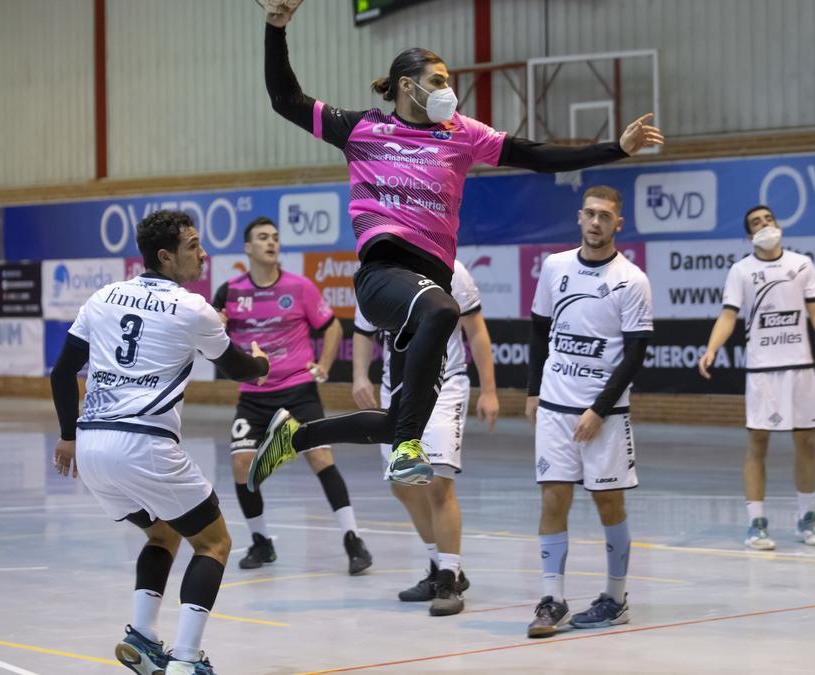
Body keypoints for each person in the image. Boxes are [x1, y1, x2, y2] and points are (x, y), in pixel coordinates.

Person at [247, 2, 663, 492]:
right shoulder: (361, 129)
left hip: (427, 293)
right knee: (444, 315)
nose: (449, 90)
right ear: (408, 85)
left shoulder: (461, 134)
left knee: (401, 418)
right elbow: (285, 98)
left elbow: (535, 154)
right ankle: (407, 451)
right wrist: (276, 28)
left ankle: (292, 438)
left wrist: (615, 147)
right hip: (384, 276)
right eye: (439, 80)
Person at [50, 210, 270, 675]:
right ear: (166, 256)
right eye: (194, 245)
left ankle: (144, 639)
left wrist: (68, 436)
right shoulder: (193, 308)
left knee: (162, 531)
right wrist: (260, 362)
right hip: (145, 445)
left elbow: (61, 371)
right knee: (214, 542)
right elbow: (238, 370)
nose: (204, 254)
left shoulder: (104, 296)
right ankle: (187, 661)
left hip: (93, 449)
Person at [524, 186, 653, 638]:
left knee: (608, 503)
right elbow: (540, 331)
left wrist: (599, 409)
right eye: (590, 214)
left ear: (619, 224)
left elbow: (635, 354)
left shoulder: (631, 279)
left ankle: (615, 599)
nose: (596, 222)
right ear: (580, 218)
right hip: (555, 407)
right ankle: (552, 599)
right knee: (553, 498)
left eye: (606, 217)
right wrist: (533, 391)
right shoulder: (555, 267)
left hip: (606, 415)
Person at [212, 217, 372, 574]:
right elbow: (212, 340)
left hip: (298, 390)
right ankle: (262, 543)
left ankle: (353, 541)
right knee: (241, 465)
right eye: (263, 238)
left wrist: (325, 365)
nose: (271, 243)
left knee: (320, 456)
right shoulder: (229, 292)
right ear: (248, 248)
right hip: (253, 394)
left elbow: (332, 326)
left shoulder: (300, 287)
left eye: (275, 238)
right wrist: (217, 329)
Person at [351, 259, 498, 616]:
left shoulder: (453, 270)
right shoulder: (376, 270)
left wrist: (489, 390)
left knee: (437, 483)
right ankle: (440, 567)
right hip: (397, 389)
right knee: (403, 484)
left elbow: (475, 331)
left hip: (445, 385)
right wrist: (359, 376)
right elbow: (362, 330)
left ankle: (448, 577)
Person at [698, 205, 815, 552]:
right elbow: (727, 315)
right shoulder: (741, 271)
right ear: (750, 236)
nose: (764, 225)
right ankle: (756, 523)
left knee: (807, 443)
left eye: (768, 219)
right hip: (763, 370)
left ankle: (807, 518)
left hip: (801, 368)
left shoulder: (801, 265)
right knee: (758, 443)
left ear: (777, 226)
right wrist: (711, 348)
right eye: (756, 223)